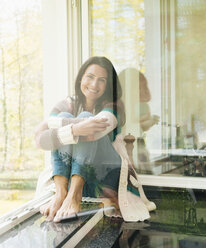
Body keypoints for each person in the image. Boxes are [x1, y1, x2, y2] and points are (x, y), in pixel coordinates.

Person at [35, 56, 155, 223]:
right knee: (67, 116)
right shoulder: (68, 104)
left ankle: (75, 195)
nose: (94, 84)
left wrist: (55, 125)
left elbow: (93, 132)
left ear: (108, 85)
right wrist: (76, 128)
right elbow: (40, 140)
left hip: (107, 171)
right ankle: (61, 193)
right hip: (79, 171)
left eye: (102, 80)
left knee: (84, 116)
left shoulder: (115, 105)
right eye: (90, 77)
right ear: (81, 78)